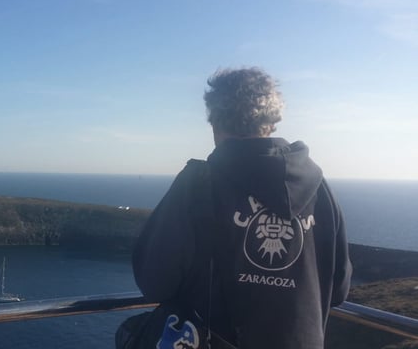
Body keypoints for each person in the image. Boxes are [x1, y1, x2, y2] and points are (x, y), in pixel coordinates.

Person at [132, 67, 352, 349]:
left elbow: (154, 282)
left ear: (214, 119)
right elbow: (338, 289)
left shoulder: (198, 183)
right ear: (272, 121)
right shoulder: (320, 189)